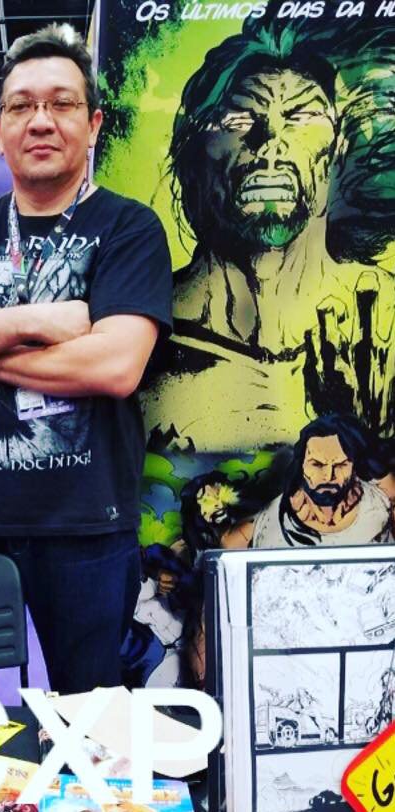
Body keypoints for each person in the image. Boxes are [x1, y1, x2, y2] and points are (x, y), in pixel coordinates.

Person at [0, 24, 172, 696]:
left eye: (61, 103)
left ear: (93, 123)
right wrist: (37, 322)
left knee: (91, 716)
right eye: (21, 106)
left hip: (86, 525)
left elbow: (114, 367)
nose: (40, 120)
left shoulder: (128, 229)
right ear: (0, 127)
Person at [143, 28, 393, 451]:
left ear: (335, 155)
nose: (271, 143)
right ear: (194, 158)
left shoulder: (382, 317)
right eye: (238, 121)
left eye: (301, 119)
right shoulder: (150, 330)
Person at [220, 414, 395, 548]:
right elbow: (227, 552)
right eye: (317, 464)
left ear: (354, 467)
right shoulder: (272, 518)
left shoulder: (379, 504)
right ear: (302, 465)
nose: (328, 476)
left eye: (341, 464)